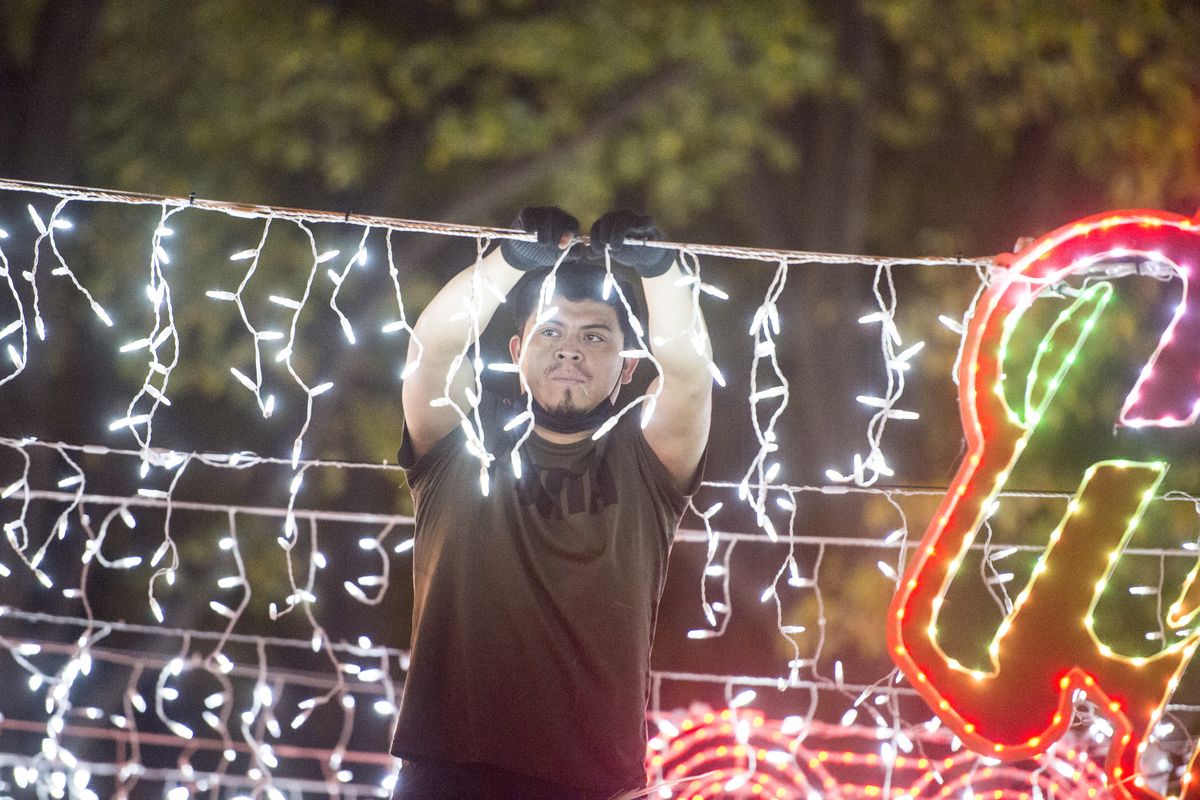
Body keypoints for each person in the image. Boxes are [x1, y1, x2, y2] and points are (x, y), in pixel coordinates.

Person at [390, 207, 713, 800]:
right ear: (516, 350)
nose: (570, 349)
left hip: (592, 781)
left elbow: (690, 375)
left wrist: (661, 270)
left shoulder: (646, 460)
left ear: (627, 365)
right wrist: (510, 261)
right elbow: (429, 353)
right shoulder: (462, 442)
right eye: (551, 331)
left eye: (595, 336)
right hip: (444, 771)